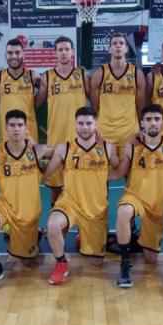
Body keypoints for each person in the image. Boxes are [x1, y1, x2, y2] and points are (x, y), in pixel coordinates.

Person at [42, 106, 121, 285]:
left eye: (89, 123)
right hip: (70, 203)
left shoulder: (108, 148)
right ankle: (61, 264)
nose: (85, 127)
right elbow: (45, 173)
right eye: (81, 123)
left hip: (96, 208)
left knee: (96, 263)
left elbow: (118, 170)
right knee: (53, 225)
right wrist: (33, 158)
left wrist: (99, 173)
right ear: (75, 124)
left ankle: (82, 237)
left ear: (96, 124)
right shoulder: (65, 148)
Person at [0, 109, 53, 288]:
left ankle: (35, 235)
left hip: (27, 210)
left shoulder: (38, 150)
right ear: (6, 127)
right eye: (12, 125)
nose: (16, 129)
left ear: (26, 128)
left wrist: (44, 174)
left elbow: (63, 153)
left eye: (20, 125)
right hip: (3, 203)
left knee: (27, 263)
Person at [115, 104, 163, 287]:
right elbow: (119, 172)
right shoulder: (132, 145)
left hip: (158, 205)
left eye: (156, 119)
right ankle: (125, 264)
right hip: (135, 196)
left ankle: (136, 239)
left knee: (150, 259)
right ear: (142, 123)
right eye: (148, 119)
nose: (153, 123)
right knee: (123, 211)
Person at [40, 36, 89, 205]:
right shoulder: (47, 77)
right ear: (55, 53)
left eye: (66, 49)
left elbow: (96, 102)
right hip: (56, 138)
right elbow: (35, 102)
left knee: (82, 186)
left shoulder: (82, 74)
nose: (63, 52)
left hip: (80, 139)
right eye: (60, 49)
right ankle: (56, 224)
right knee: (56, 187)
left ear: (72, 52)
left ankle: (84, 228)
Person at [89, 32, 146, 148]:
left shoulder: (136, 74)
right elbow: (95, 107)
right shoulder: (99, 74)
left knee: (127, 166)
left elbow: (141, 107)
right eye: (114, 43)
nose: (118, 46)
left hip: (130, 133)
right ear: (109, 49)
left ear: (126, 49)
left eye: (121, 43)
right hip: (105, 133)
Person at [0, 38, 45, 144]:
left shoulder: (33, 75)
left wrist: (32, 105)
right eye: (10, 53)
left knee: (30, 158)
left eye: (17, 52)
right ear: (5, 55)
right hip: (6, 128)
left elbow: (43, 89)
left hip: (28, 128)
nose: (14, 56)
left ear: (23, 54)